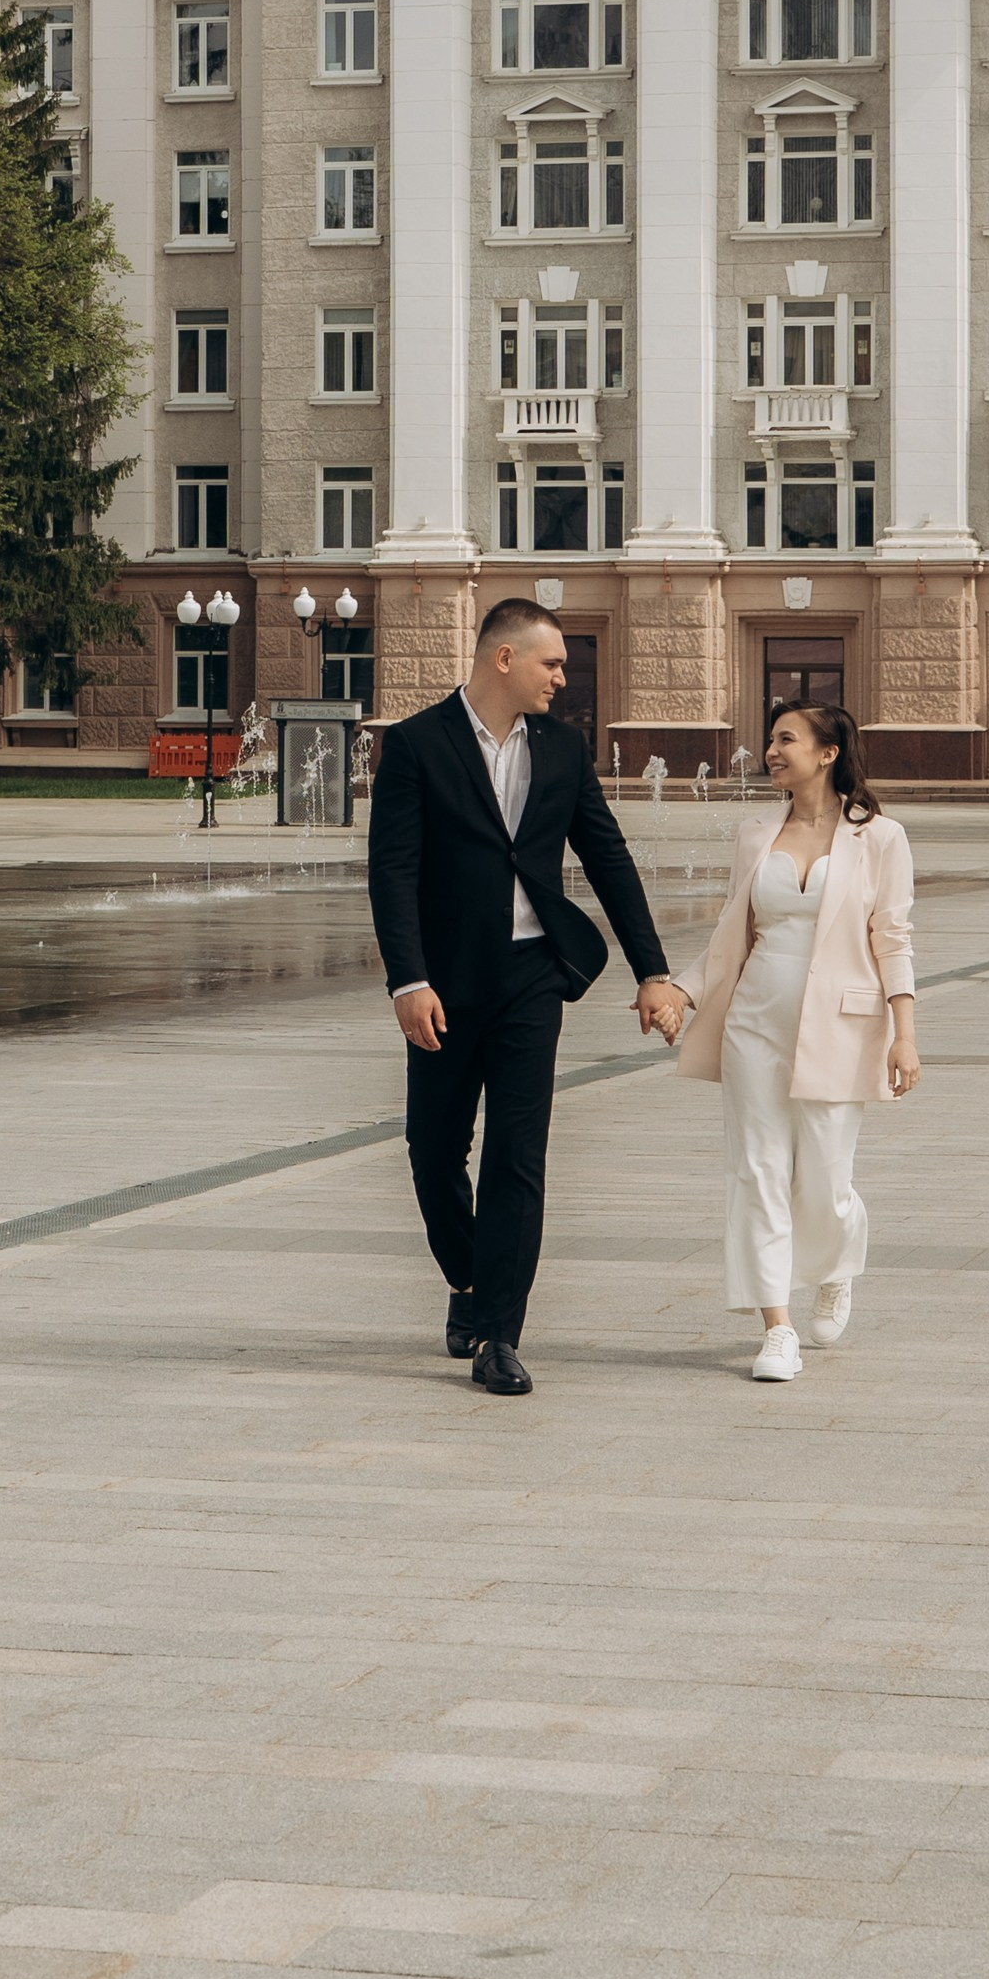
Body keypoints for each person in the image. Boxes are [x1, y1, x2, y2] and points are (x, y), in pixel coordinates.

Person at [367, 599, 684, 1399]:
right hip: (442, 984)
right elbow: (392, 872)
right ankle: (471, 1282)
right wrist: (407, 981)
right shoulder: (414, 746)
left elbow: (607, 858)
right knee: (433, 1154)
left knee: (518, 1156)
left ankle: (500, 1335)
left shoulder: (562, 748)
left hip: (531, 979)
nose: (562, 679)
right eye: (552, 664)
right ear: (503, 658)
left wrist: (654, 970)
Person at [674, 706, 919, 1384]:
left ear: (828, 752)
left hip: (842, 1026)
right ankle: (776, 1328)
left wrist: (904, 1034)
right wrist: (682, 991)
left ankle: (837, 1267)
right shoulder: (756, 833)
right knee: (755, 1171)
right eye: (771, 739)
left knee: (825, 1181)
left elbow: (890, 937)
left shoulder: (880, 838)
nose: (770, 750)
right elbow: (731, 935)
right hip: (754, 1023)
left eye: (785, 739)